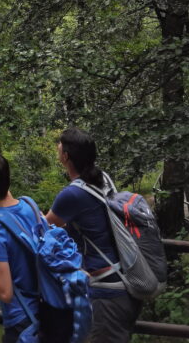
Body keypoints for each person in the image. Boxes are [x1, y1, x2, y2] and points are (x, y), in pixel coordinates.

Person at [0, 151, 72, 342]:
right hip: (49, 306)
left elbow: (5, 292)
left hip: (23, 320)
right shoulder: (30, 205)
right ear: (8, 179)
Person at [46, 128, 142, 343]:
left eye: (59, 146)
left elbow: (42, 226)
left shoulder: (72, 194)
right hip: (123, 281)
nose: (57, 148)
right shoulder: (102, 179)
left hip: (108, 292)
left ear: (66, 156)